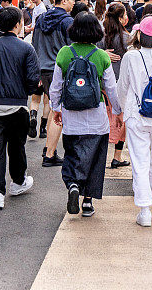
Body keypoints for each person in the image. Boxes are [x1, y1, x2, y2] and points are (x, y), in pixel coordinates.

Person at [49, 12, 121, 218]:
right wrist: (117, 112)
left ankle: (72, 184)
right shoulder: (101, 55)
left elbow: (56, 87)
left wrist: (56, 108)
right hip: (96, 117)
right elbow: (111, 88)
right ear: (97, 32)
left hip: (71, 116)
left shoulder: (64, 53)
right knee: (96, 159)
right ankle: (88, 201)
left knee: (72, 154)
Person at [0, 6, 41, 209]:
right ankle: (18, 181)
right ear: (18, 24)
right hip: (18, 105)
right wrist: (26, 90)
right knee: (16, 146)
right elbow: (33, 80)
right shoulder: (26, 48)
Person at [117, 16, 152, 227]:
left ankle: (144, 211)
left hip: (137, 115)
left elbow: (123, 87)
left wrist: (120, 109)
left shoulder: (131, 57)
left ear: (140, 34)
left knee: (140, 161)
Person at [32, 0, 74, 167]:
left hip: (43, 68)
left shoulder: (41, 18)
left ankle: (50, 147)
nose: (73, 2)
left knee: (53, 107)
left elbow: (34, 43)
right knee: (58, 112)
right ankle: (49, 154)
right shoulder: (67, 22)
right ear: (63, 0)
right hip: (60, 70)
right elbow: (72, 49)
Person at [98, 2, 130, 169]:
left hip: (104, 85)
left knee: (105, 119)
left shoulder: (101, 38)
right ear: (120, 18)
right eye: (125, 15)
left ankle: (102, 155)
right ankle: (117, 156)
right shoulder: (127, 38)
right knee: (121, 121)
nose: (127, 18)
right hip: (122, 85)